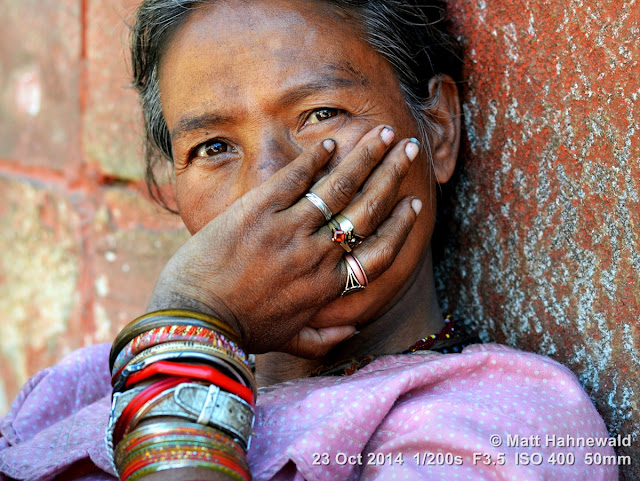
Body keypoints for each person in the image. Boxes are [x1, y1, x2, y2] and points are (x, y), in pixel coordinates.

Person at [0, 0, 618, 480]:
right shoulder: (75, 391)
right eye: (213, 148)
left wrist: (189, 330)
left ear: (437, 128)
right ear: (170, 187)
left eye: (321, 114)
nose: (269, 183)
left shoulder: (511, 425)